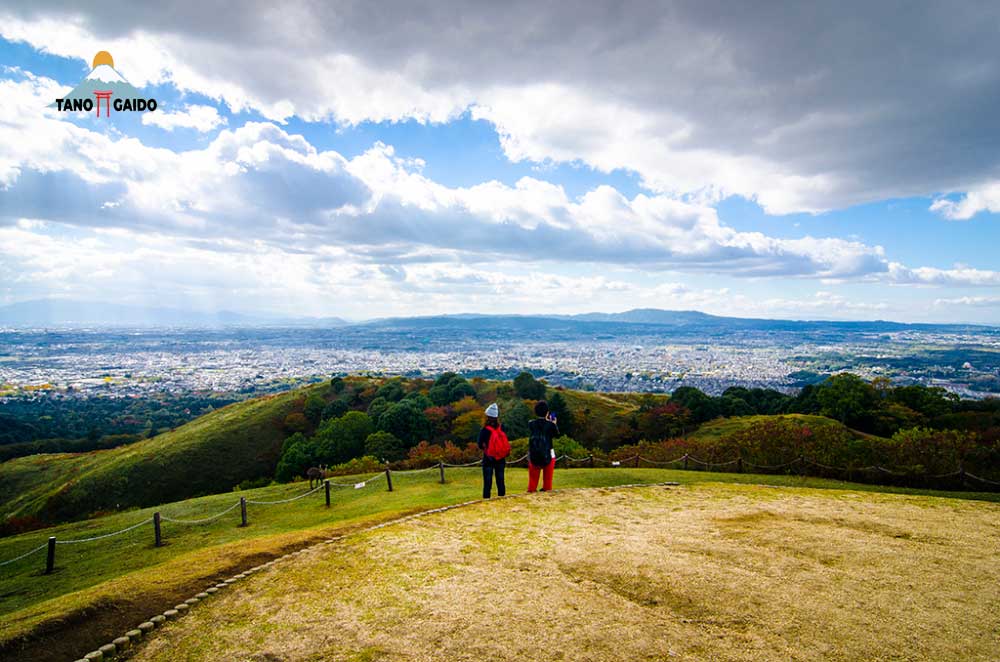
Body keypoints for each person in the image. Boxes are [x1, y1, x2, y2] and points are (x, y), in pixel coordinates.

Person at [478, 402, 509, 499]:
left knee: (487, 481)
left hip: (488, 458)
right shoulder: (501, 428)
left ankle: (486, 499)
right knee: (500, 479)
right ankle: (502, 497)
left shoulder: (485, 430)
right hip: (501, 458)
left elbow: (479, 444)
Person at [527, 400, 558, 492]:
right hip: (549, 453)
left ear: (535, 412)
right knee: (548, 481)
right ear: (547, 412)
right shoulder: (550, 425)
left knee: (532, 481)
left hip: (534, 453)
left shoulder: (531, 423)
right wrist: (554, 424)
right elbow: (555, 434)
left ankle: (531, 494)